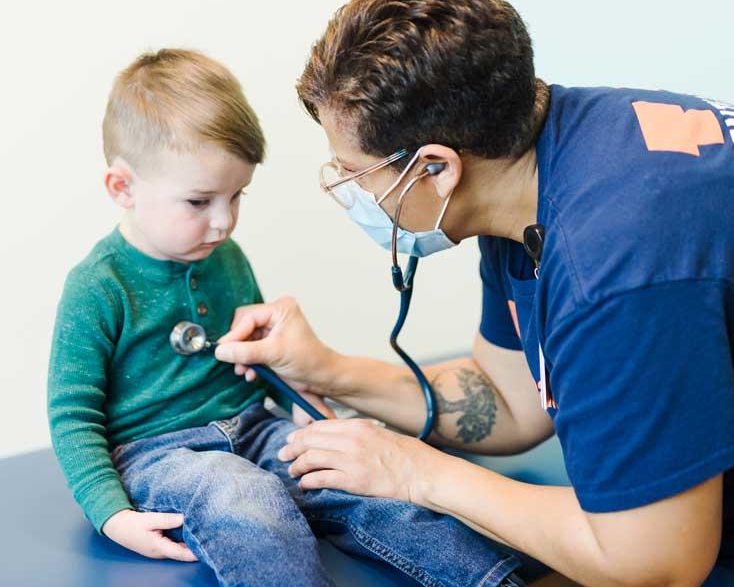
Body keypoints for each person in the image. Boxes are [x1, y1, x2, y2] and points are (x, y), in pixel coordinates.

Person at [214, 0, 734, 586]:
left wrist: (414, 472)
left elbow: (654, 561)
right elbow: (510, 401)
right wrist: (328, 371)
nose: (345, 189)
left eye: (354, 172)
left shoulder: (612, 264)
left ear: (436, 168)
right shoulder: (540, 164)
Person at [47, 48, 524, 587]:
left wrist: (301, 411)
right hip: (161, 453)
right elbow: (72, 417)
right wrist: (112, 515)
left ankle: (490, 581)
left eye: (236, 196)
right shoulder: (97, 286)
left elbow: (255, 359)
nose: (223, 221)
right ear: (123, 188)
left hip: (254, 426)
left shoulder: (224, 257)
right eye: (199, 201)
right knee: (246, 498)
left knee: (357, 476)